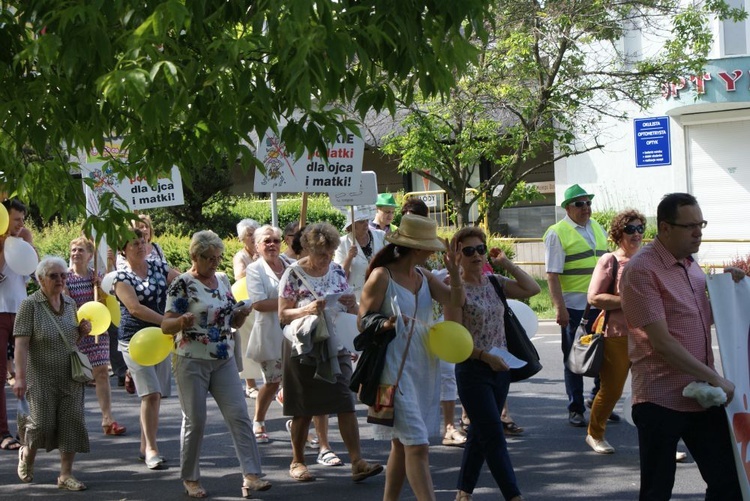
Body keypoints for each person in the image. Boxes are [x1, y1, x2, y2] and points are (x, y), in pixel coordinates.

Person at [621, 193, 743, 500]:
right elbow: (661, 341)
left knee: (728, 481)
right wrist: (715, 378)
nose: (698, 232)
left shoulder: (691, 265)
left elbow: (699, 318)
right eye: (689, 226)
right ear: (665, 228)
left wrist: (730, 290)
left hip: (701, 395)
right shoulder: (642, 269)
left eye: (700, 224)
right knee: (657, 490)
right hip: (660, 398)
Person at [358, 214, 462, 501]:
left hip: (422, 368)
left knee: (401, 445)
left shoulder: (423, 276)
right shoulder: (382, 276)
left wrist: (453, 272)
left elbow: (456, 300)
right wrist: (386, 323)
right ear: (416, 248)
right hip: (392, 370)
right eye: (430, 246)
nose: (433, 251)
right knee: (417, 445)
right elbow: (362, 321)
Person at [162, 230, 270, 499]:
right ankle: (190, 478)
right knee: (195, 421)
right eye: (209, 258)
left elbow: (231, 321)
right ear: (195, 257)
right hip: (191, 360)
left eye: (218, 258)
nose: (215, 263)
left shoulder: (222, 279)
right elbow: (166, 325)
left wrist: (242, 314)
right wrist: (181, 322)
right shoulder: (182, 284)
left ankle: (252, 474)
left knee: (239, 415)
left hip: (223, 359)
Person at [278, 222, 383, 483]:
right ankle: (298, 461)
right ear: (309, 250)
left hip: (335, 343)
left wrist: (352, 303)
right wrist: (307, 309)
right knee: (303, 407)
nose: (327, 258)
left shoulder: (336, 270)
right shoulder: (292, 273)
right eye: (322, 253)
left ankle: (357, 461)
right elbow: (282, 314)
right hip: (304, 347)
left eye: (330, 252)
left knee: (345, 403)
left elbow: (350, 308)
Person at [445, 226, 537, 501]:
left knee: (480, 434)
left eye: (480, 249)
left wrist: (505, 262)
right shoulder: (453, 290)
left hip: (501, 370)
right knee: (494, 436)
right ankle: (514, 496)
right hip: (474, 370)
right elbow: (455, 339)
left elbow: (531, 289)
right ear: (457, 256)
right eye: (469, 250)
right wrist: (485, 357)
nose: (476, 255)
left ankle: (463, 492)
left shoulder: (494, 282)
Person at [13, 256, 92, 490]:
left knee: (71, 424)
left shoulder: (70, 304)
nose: (60, 280)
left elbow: (69, 340)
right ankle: (27, 454)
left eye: (63, 275)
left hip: (70, 376)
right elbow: (21, 344)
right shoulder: (30, 305)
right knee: (40, 424)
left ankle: (65, 475)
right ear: (40, 279)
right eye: (54, 276)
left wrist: (81, 331)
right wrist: (19, 377)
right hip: (41, 377)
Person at [400, 197, 467, 446]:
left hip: (438, 317)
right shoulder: (387, 267)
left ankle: (448, 426)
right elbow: (367, 317)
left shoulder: (437, 250)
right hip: (404, 338)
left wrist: (453, 274)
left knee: (447, 372)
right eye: (407, 214)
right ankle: (413, 429)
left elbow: (455, 296)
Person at [543, 184, 608, 427]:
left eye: (588, 203)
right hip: (574, 307)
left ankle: (598, 400)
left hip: (600, 305)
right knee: (574, 359)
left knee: (604, 356)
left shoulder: (597, 227)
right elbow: (552, 274)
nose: (586, 208)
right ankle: (576, 407)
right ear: (567, 208)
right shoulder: (557, 233)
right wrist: (559, 308)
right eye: (580, 204)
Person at [114, 228, 178, 470]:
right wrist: (167, 321)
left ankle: (144, 445)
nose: (140, 246)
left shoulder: (159, 268)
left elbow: (183, 281)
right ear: (123, 250)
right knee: (150, 393)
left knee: (156, 394)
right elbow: (135, 309)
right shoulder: (121, 278)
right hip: (134, 341)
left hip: (160, 339)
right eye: (133, 243)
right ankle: (152, 448)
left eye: (142, 241)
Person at [584, 210, 646, 454]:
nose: (637, 234)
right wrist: (627, 301)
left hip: (648, 334)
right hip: (617, 334)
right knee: (612, 390)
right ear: (619, 233)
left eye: (640, 228)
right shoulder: (610, 260)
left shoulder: (647, 259)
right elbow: (594, 297)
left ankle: (660, 441)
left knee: (652, 391)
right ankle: (594, 434)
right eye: (631, 229)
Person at [66, 237, 126, 436]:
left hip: (97, 332)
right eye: (73, 250)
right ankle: (71, 421)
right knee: (75, 378)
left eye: (81, 250)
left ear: (90, 255)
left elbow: (111, 301)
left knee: (101, 372)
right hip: (74, 334)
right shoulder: (64, 278)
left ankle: (107, 418)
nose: (76, 253)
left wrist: (102, 287)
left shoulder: (96, 277)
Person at [244, 225, 286, 444]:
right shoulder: (254, 270)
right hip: (270, 335)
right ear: (257, 246)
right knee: (272, 382)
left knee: (297, 381)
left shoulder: (291, 264)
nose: (272, 245)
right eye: (267, 241)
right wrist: (290, 303)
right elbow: (259, 303)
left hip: (295, 335)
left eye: (276, 241)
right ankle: (258, 420)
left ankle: (298, 422)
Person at [0, 198, 33, 451]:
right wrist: (3, 247)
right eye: (15, 220)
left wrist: (28, 244)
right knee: (1, 375)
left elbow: (33, 273)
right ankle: (3, 432)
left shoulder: (23, 241)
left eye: (23, 220)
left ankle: (33, 426)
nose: (20, 225)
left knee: (31, 370)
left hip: (21, 310)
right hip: (0, 312)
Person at [233, 218, 261, 399]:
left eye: (254, 234)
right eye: (248, 235)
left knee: (263, 341)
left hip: (262, 302)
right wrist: (254, 265)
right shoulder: (240, 256)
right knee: (247, 343)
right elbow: (238, 276)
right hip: (246, 304)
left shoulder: (263, 251)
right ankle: (250, 384)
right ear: (242, 238)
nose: (252, 237)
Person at [334, 207, 386, 301]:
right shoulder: (342, 243)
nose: (366, 224)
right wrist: (349, 258)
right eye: (361, 221)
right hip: (357, 297)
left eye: (367, 220)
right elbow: (339, 277)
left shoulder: (381, 236)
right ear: (352, 226)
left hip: (382, 291)